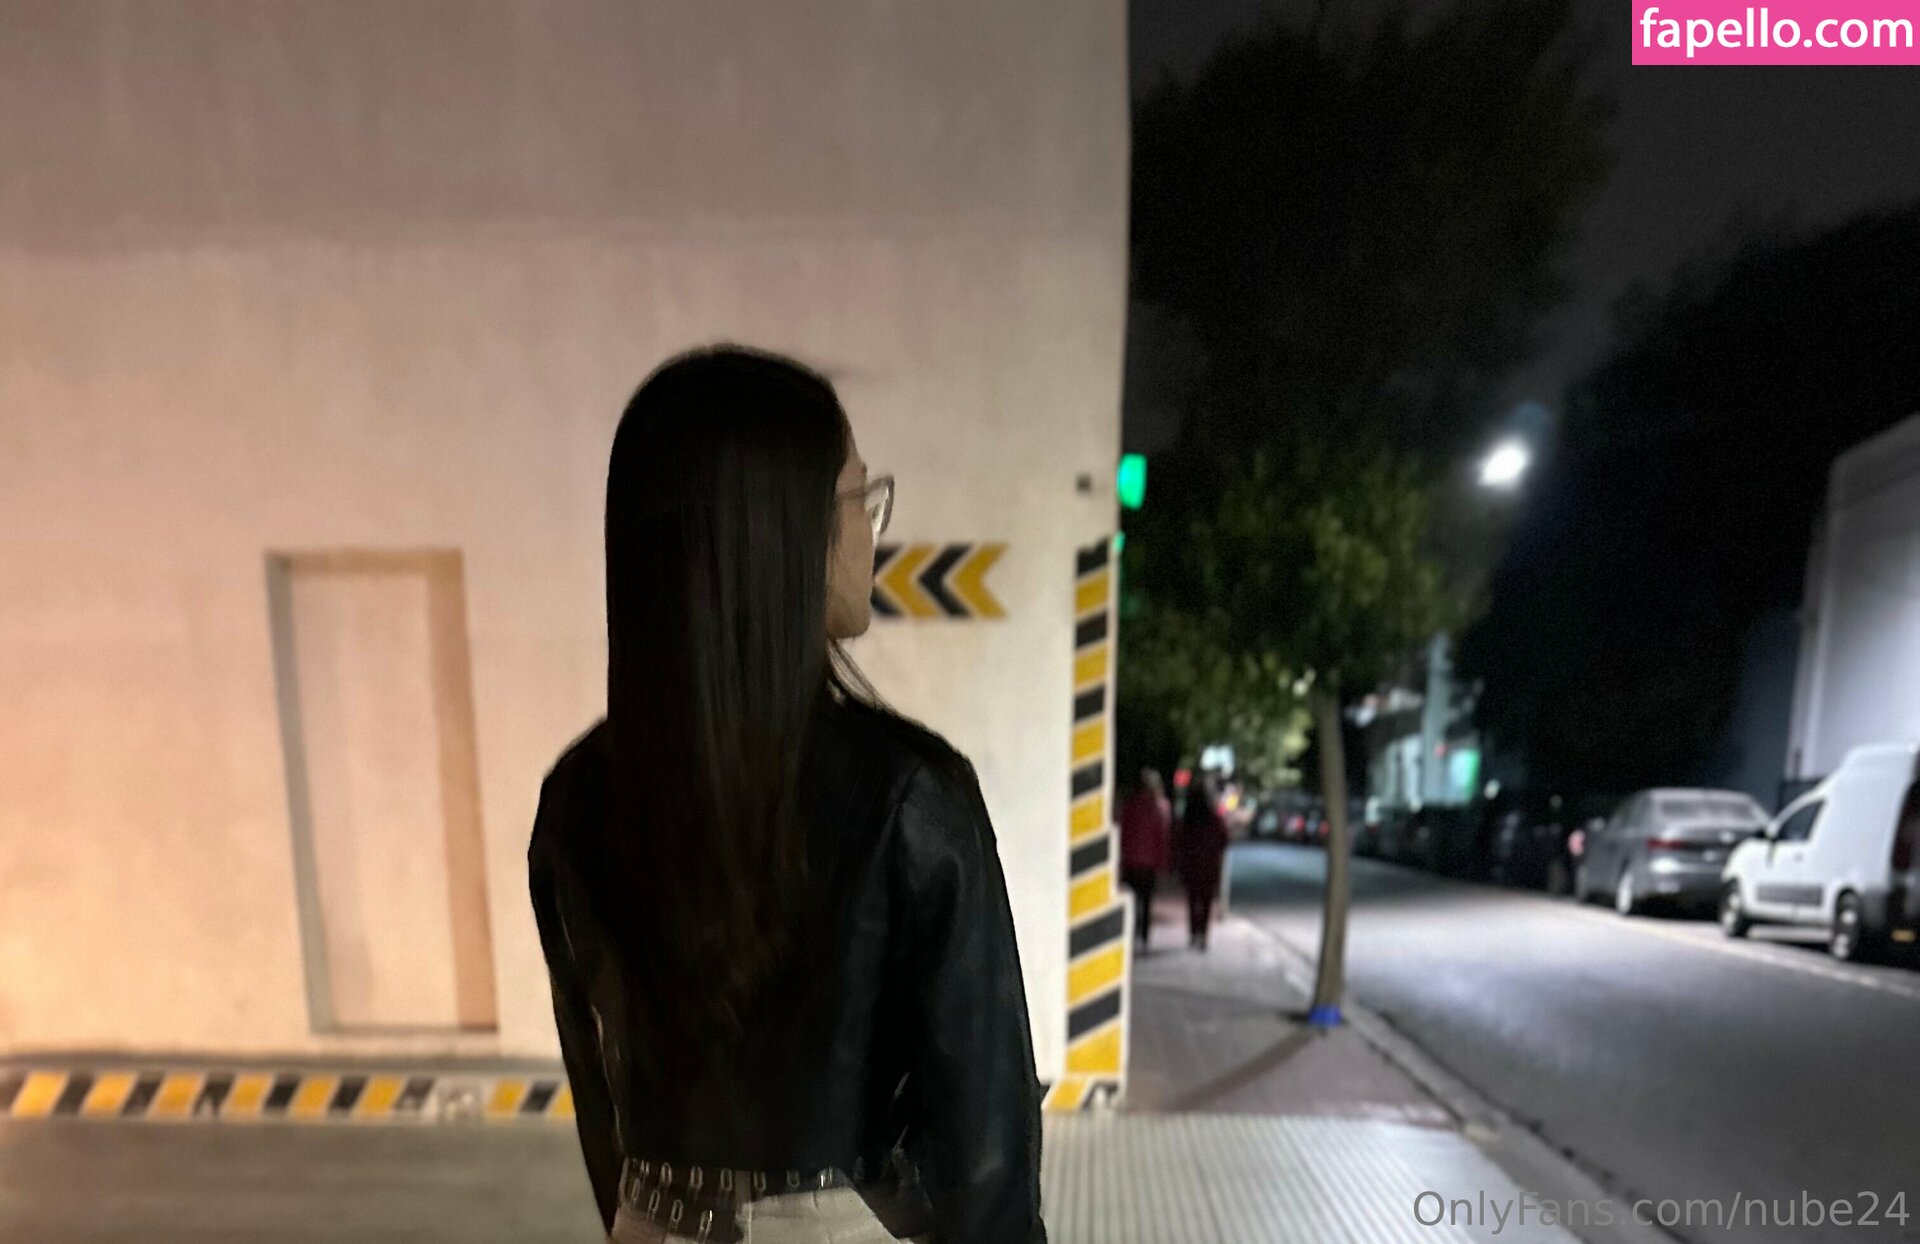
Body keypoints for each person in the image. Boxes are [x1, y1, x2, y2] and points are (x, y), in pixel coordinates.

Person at [528, 347, 1046, 1244]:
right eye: (858, 498)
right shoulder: (909, 799)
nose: (870, 531)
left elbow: (599, 1095)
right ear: (782, 532)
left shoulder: (576, 798)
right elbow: (986, 1152)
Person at [1117, 769, 1171, 950]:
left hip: (1131, 861)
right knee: (1147, 901)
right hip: (1150, 863)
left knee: (1132, 900)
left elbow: (1124, 832)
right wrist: (1163, 863)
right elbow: (1162, 837)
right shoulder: (1161, 807)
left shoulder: (1130, 805)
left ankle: (1131, 933)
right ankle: (1145, 937)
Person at [1176, 773, 1230, 951]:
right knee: (1206, 902)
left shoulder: (1188, 818)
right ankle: (1203, 935)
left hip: (1191, 863)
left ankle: (1193, 934)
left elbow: (1180, 840)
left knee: (1193, 900)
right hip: (1209, 865)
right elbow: (1224, 839)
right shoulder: (1214, 818)